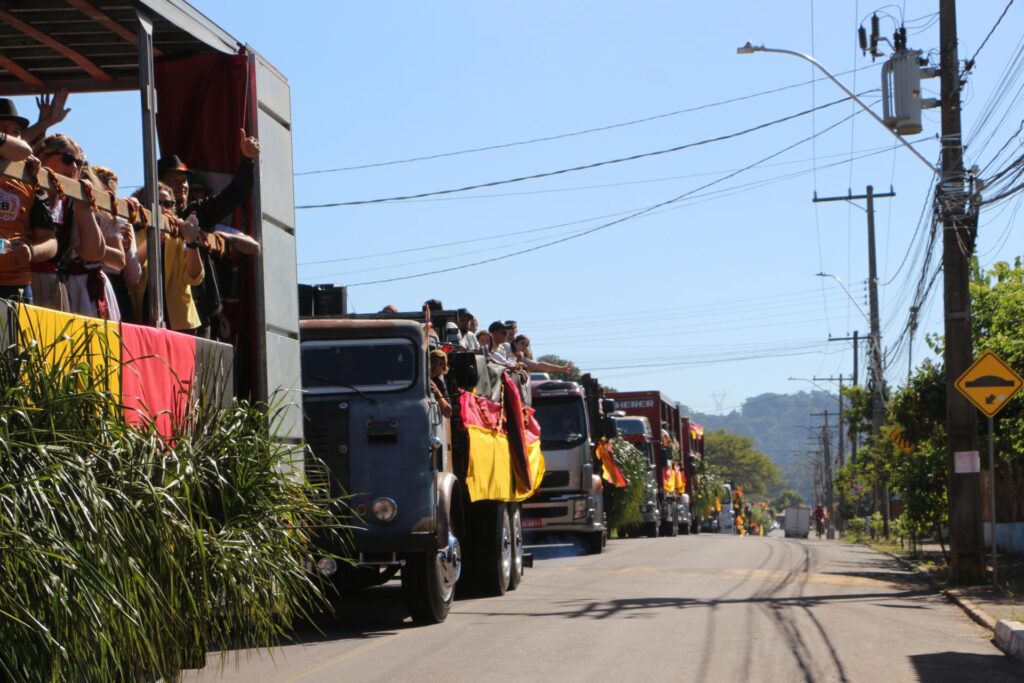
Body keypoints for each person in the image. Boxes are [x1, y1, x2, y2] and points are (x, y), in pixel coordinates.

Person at [159, 129, 261, 338]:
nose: (183, 186)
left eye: (184, 181)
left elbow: (234, 194)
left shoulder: (196, 213)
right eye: (175, 181)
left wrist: (247, 160)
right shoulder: (145, 214)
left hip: (199, 311)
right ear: (158, 183)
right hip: (161, 309)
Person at [33, 134, 112, 316]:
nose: (75, 167)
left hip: (55, 285)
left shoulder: (69, 202)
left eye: (79, 162)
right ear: (43, 156)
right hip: (17, 277)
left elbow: (94, 253)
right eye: (68, 159)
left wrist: (84, 209)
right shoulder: (23, 188)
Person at [0, 98, 56, 304]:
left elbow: (50, 241)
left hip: (17, 285)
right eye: (3, 130)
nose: (11, 138)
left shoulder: (30, 175)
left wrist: (31, 252)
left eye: (16, 133)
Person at [92, 165, 142, 321]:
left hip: (84, 284)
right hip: (113, 290)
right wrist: (126, 250)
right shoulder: (120, 217)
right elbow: (133, 276)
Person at [429, 348, 452, 418]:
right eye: (433, 362)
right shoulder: (415, 377)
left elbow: (448, 413)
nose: (436, 367)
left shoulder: (439, 383)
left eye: (440, 365)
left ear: (443, 369)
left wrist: (438, 393)